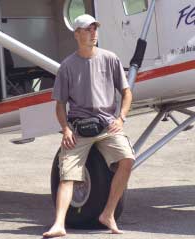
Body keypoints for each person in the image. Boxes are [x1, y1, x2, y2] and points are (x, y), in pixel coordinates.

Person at [43, 14, 135, 237]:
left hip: (107, 126)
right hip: (78, 128)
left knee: (128, 159)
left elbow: (126, 92)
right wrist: (65, 129)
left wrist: (121, 118)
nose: (94, 33)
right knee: (68, 175)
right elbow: (60, 105)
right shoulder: (66, 66)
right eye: (88, 29)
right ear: (77, 34)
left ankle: (108, 214)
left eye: (95, 29)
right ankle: (59, 224)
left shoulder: (110, 58)